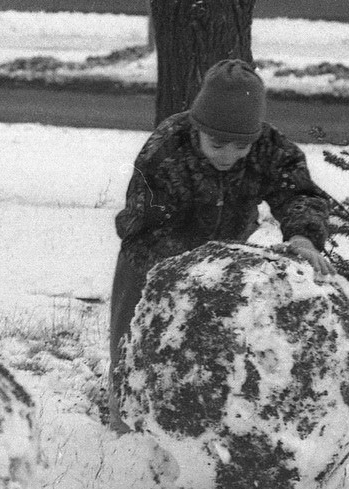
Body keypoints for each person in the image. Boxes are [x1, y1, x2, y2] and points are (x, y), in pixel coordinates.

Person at [107, 59, 334, 434]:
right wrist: (196, 269)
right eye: (218, 144)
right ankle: (124, 421)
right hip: (150, 258)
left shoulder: (269, 147)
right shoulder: (165, 149)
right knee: (134, 343)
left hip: (224, 263)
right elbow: (145, 227)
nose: (229, 156)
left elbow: (299, 194)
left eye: (241, 147)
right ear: (198, 129)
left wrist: (302, 237)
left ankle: (198, 422)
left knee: (211, 349)